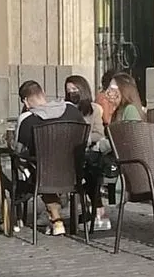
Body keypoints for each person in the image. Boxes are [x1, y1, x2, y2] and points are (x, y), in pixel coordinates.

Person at [15, 80, 87, 236]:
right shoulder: (72, 110)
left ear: (25, 101)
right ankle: (58, 217)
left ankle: (55, 219)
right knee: (47, 166)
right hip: (73, 172)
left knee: (38, 166)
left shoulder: (27, 119)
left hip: (45, 176)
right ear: (43, 94)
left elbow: (19, 151)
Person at [65, 75, 111, 231]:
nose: (72, 92)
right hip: (66, 153)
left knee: (91, 168)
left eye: (75, 89)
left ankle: (98, 210)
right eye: (69, 90)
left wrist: (85, 139)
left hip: (86, 151)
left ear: (82, 89)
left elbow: (100, 133)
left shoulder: (94, 109)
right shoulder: (64, 108)